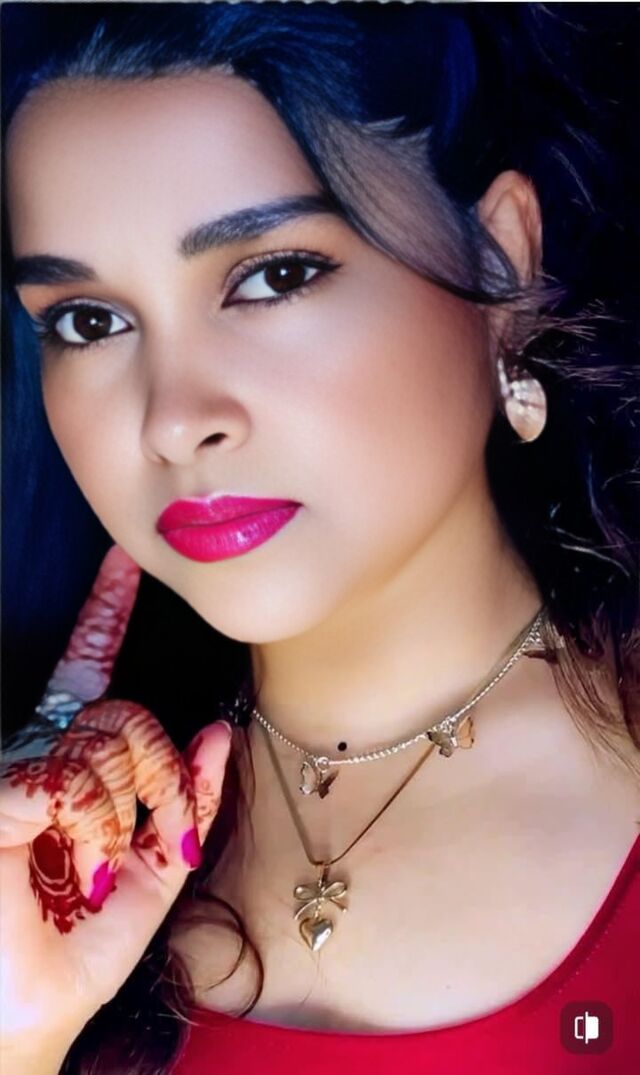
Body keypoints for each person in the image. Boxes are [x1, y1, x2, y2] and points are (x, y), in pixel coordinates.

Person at [1, 3, 639, 1074]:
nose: (172, 420)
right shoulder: (52, 858)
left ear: (501, 262)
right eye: (89, 321)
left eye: (274, 275)